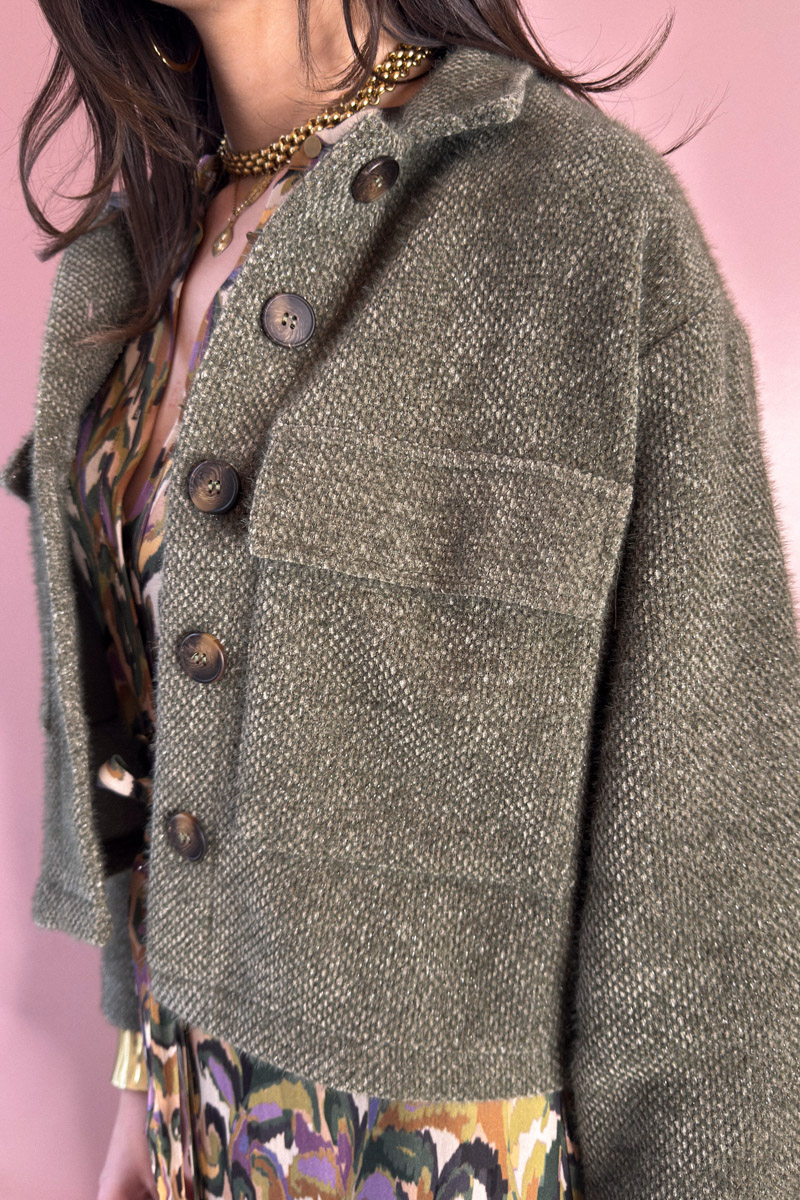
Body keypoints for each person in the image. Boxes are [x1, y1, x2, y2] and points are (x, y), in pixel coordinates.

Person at [3, 0, 799, 1193]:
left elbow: (708, 879)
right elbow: (154, 758)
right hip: (182, 1133)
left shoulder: (580, 226)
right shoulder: (131, 266)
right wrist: (140, 1090)